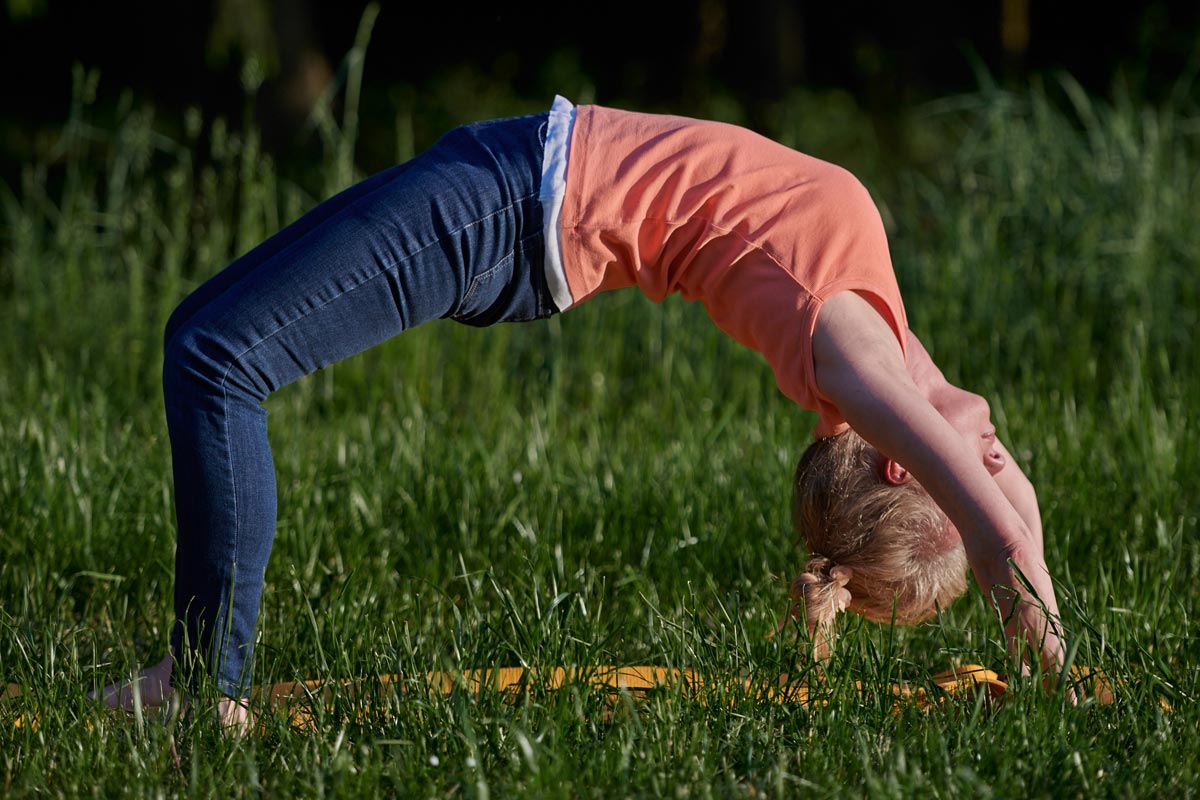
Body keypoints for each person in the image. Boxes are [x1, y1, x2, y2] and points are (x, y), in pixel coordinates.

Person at [95, 95, 1067, 728]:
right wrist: (1049, 641)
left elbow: (985, 518)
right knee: (202, 329)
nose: (993, 448)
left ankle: (202, 685)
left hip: (509, 210)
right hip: (509, 178)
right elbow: (996, 490)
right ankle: (199, 675)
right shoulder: (885, 331)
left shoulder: (848, 357)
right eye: (985, 456)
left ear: (901, 458)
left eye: (968, 463)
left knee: (217, 360)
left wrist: (1010, 591)